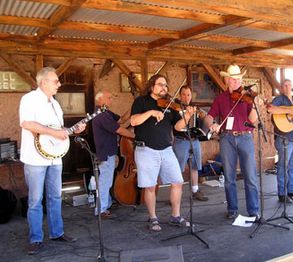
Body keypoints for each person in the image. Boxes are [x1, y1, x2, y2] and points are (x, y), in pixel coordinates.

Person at [19, 67, 86, 255]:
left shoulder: (55, 104)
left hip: (55, 158)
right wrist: (55, 132)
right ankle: (36, 238)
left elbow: (58, 129)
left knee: (56, 196)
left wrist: (72, 130)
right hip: (35, 158)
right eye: (56, 81)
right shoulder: (29, 99)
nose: (59, 84)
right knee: (35, 200)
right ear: (44, 82)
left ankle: (57, 233)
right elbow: (27, 123)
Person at [130, 74, 195, 231]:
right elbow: (133, 121)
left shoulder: (170, 105)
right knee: (151, 186)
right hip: (146, 149)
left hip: (166, 150)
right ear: (152, 86)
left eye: (165, 85)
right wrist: (151, 112)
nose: (164, 88)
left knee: (177, 182)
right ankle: (153, 218)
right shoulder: (141, 101)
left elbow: (178, 127)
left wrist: (187, 115)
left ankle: (175, 216)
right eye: (160, 85)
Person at [204, 65, 259, 221]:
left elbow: (253, 120)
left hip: (245, 137)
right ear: (227, 80)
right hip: (227, 138)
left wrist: (255, 104)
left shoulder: (247, 97)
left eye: (238, 79)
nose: (236, 82)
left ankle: (253, 210)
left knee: (250, 176)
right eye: (233, 79)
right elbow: (209, 117)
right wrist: (212, 125)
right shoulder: (220, 98)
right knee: (229, 177)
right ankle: (232, 209)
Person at [92, 90, 135, 218]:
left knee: (107, 180)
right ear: (100, 99)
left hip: (109, 151)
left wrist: (133, 107)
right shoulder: (100, 115)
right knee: (105, 181)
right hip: (105, 152)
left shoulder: (106, 112)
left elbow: (121, 120)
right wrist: (135, 136)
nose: (111, 100)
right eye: (109, 98)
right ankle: (100, 210)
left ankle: (106, 204)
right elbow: (119, 129)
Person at [267, 79, 293, 203]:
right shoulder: (279, 99)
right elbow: (271, 109)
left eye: (289, 85)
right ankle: (282, 194)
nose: (288, 87)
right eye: (285, 85)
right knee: (283, 166)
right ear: (282, 88)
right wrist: (288, 110)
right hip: (284, 138)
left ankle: (292, 190)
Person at [173, 86, 208, 201]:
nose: (186, 97)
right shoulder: (175, 109)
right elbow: (176, 127)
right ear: (180, 95)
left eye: (188, 95)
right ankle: (177, 193)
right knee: (179, 168)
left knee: (195, 166)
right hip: (181, 141)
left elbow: (201, 122)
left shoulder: (195, 109)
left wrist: (204, 117)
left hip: (194, 141)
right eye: (183, 94)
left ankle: (195, 190)